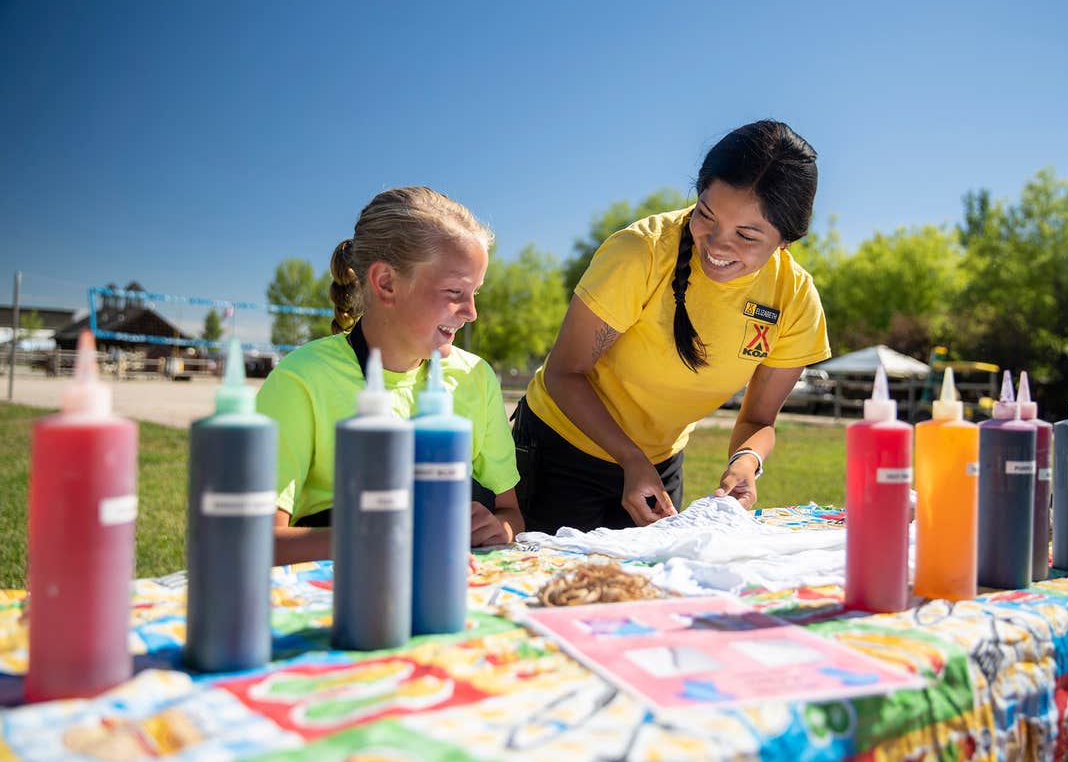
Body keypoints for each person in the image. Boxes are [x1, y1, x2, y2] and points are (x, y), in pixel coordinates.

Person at [515, 120, 831, 535]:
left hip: (658, 465)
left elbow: (757, 420)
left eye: (747, 235)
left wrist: (746, 462)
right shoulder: (640, 252)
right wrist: (631, 460)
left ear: (785, 240)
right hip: (559, 451)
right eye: (706, 215)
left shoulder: (794, 297)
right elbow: (563, 373)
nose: (717, 245)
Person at [257, 186, 523, 565]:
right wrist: (391, 538)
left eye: (475, 292)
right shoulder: (303, 379)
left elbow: (512, 515)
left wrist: (499, 529)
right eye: (455, 291)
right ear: (386, 283)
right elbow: (258, 542)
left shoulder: (475, 378)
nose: (471, 312)